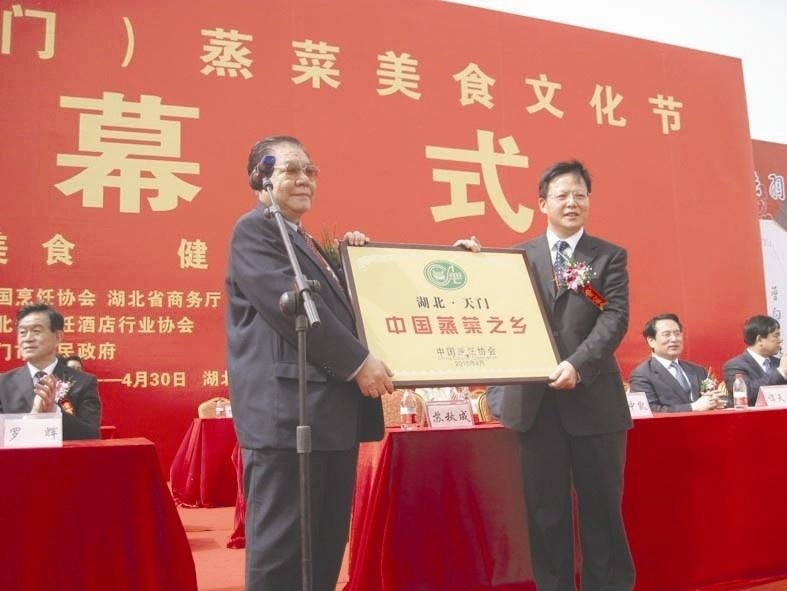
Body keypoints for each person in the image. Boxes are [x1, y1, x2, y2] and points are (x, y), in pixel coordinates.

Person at [225, 135, 395, 591]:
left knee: (324, 547)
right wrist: (359, 364)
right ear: (261, 178)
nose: (304, 179)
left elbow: (340, 311)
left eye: (310, 171)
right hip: (287, 419)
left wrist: (355, 264)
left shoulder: (304, 240)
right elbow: (293, 312)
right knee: (282, 552)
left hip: (331, 419)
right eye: (291, 170)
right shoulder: (255, 230)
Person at [487, 160, 635, 591]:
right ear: (542, 204)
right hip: (537, 406)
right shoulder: (515, 257)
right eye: (562, 195)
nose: (572, 203)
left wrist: (578, 364)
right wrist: (472, 263)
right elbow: (497, 309)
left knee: (602, 511)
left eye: (580, 195)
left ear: (589, 201)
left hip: (595, 402)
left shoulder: (607, 256)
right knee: (545, 514)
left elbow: (614, 317)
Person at [0, 303, 101, 440]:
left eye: (36, 331)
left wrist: (54, 411)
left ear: (58, 337)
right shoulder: (3, 383)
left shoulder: (83, 382)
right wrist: (33, 416)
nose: (28, 338)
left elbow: (91, 435)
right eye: (22, 332)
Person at [629, 313, 728, 412]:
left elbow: (719, 398)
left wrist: (718, 402)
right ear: (651, 341)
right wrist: (692, 407)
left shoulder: (698, 370)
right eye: (666, 334)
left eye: (677, 334)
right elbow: (648, 410)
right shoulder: (642, 375)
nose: (674, 339)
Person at [723, 315, 786, 406]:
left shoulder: (780, 362)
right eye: (776, 336)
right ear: (760, 339)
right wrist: (780, 372)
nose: (780, 340)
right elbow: (747, 395)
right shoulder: (734, 366)